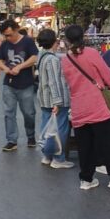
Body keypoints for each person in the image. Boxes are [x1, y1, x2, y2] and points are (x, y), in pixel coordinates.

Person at [61, 25, 110, 193]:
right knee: (106, 144)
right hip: (96, 105)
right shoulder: (91, 53)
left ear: (67, 39)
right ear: (84, 36)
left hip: (78, 106)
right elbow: (108, 77)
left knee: (84, 145)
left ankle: (86, 178)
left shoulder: (65, 59)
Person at [0, 18, 38, 152]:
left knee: (29, 113)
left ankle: (30, 136)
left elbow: (34, 57)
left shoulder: (27, 41)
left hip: (26, 83)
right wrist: (5, 68)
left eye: (10, 34)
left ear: (16, 30)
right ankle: (11, 140)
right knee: (9, 113)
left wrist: (20, 67)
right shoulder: (5, 44)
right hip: (9, 83)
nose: (8, 37)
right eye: (5, 35)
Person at [36, 27, 73, 170]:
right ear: (53, 42)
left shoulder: (41, 55)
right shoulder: (52, 59)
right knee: (59, 130)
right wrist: (58, 101)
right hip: (54, 100)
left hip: (45, 99)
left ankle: (47, 155)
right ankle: (58, 158)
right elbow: (54, 81)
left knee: (47, 128)